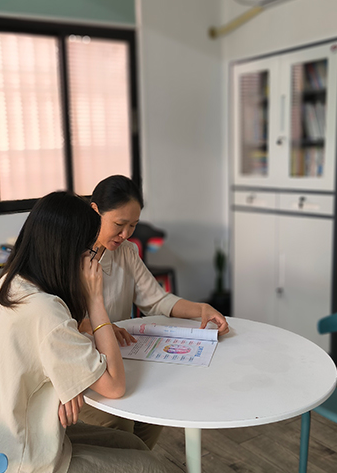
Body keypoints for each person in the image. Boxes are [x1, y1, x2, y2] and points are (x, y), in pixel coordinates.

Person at [0, 191, 187, 473]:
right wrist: (96, 301)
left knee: (131, 445)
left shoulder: (13, 284)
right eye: (90, 252)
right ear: (68, 253)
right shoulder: (45, 312)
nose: (95, 260)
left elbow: (49, 347)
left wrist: (64, 380)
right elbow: (114, 385)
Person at [78, 175, 229, 449]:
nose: (126, 234)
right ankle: (132, 467)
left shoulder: (126, 253)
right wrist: (98, 326)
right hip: (84, 368)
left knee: (156, 407)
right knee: (120, 423)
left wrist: (201, 309)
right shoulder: (70, 256)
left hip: (120, 361)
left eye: (133, 225)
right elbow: (60, 322)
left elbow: (158, 300)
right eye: (119, 225)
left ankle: (136, 467)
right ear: (95, 211)